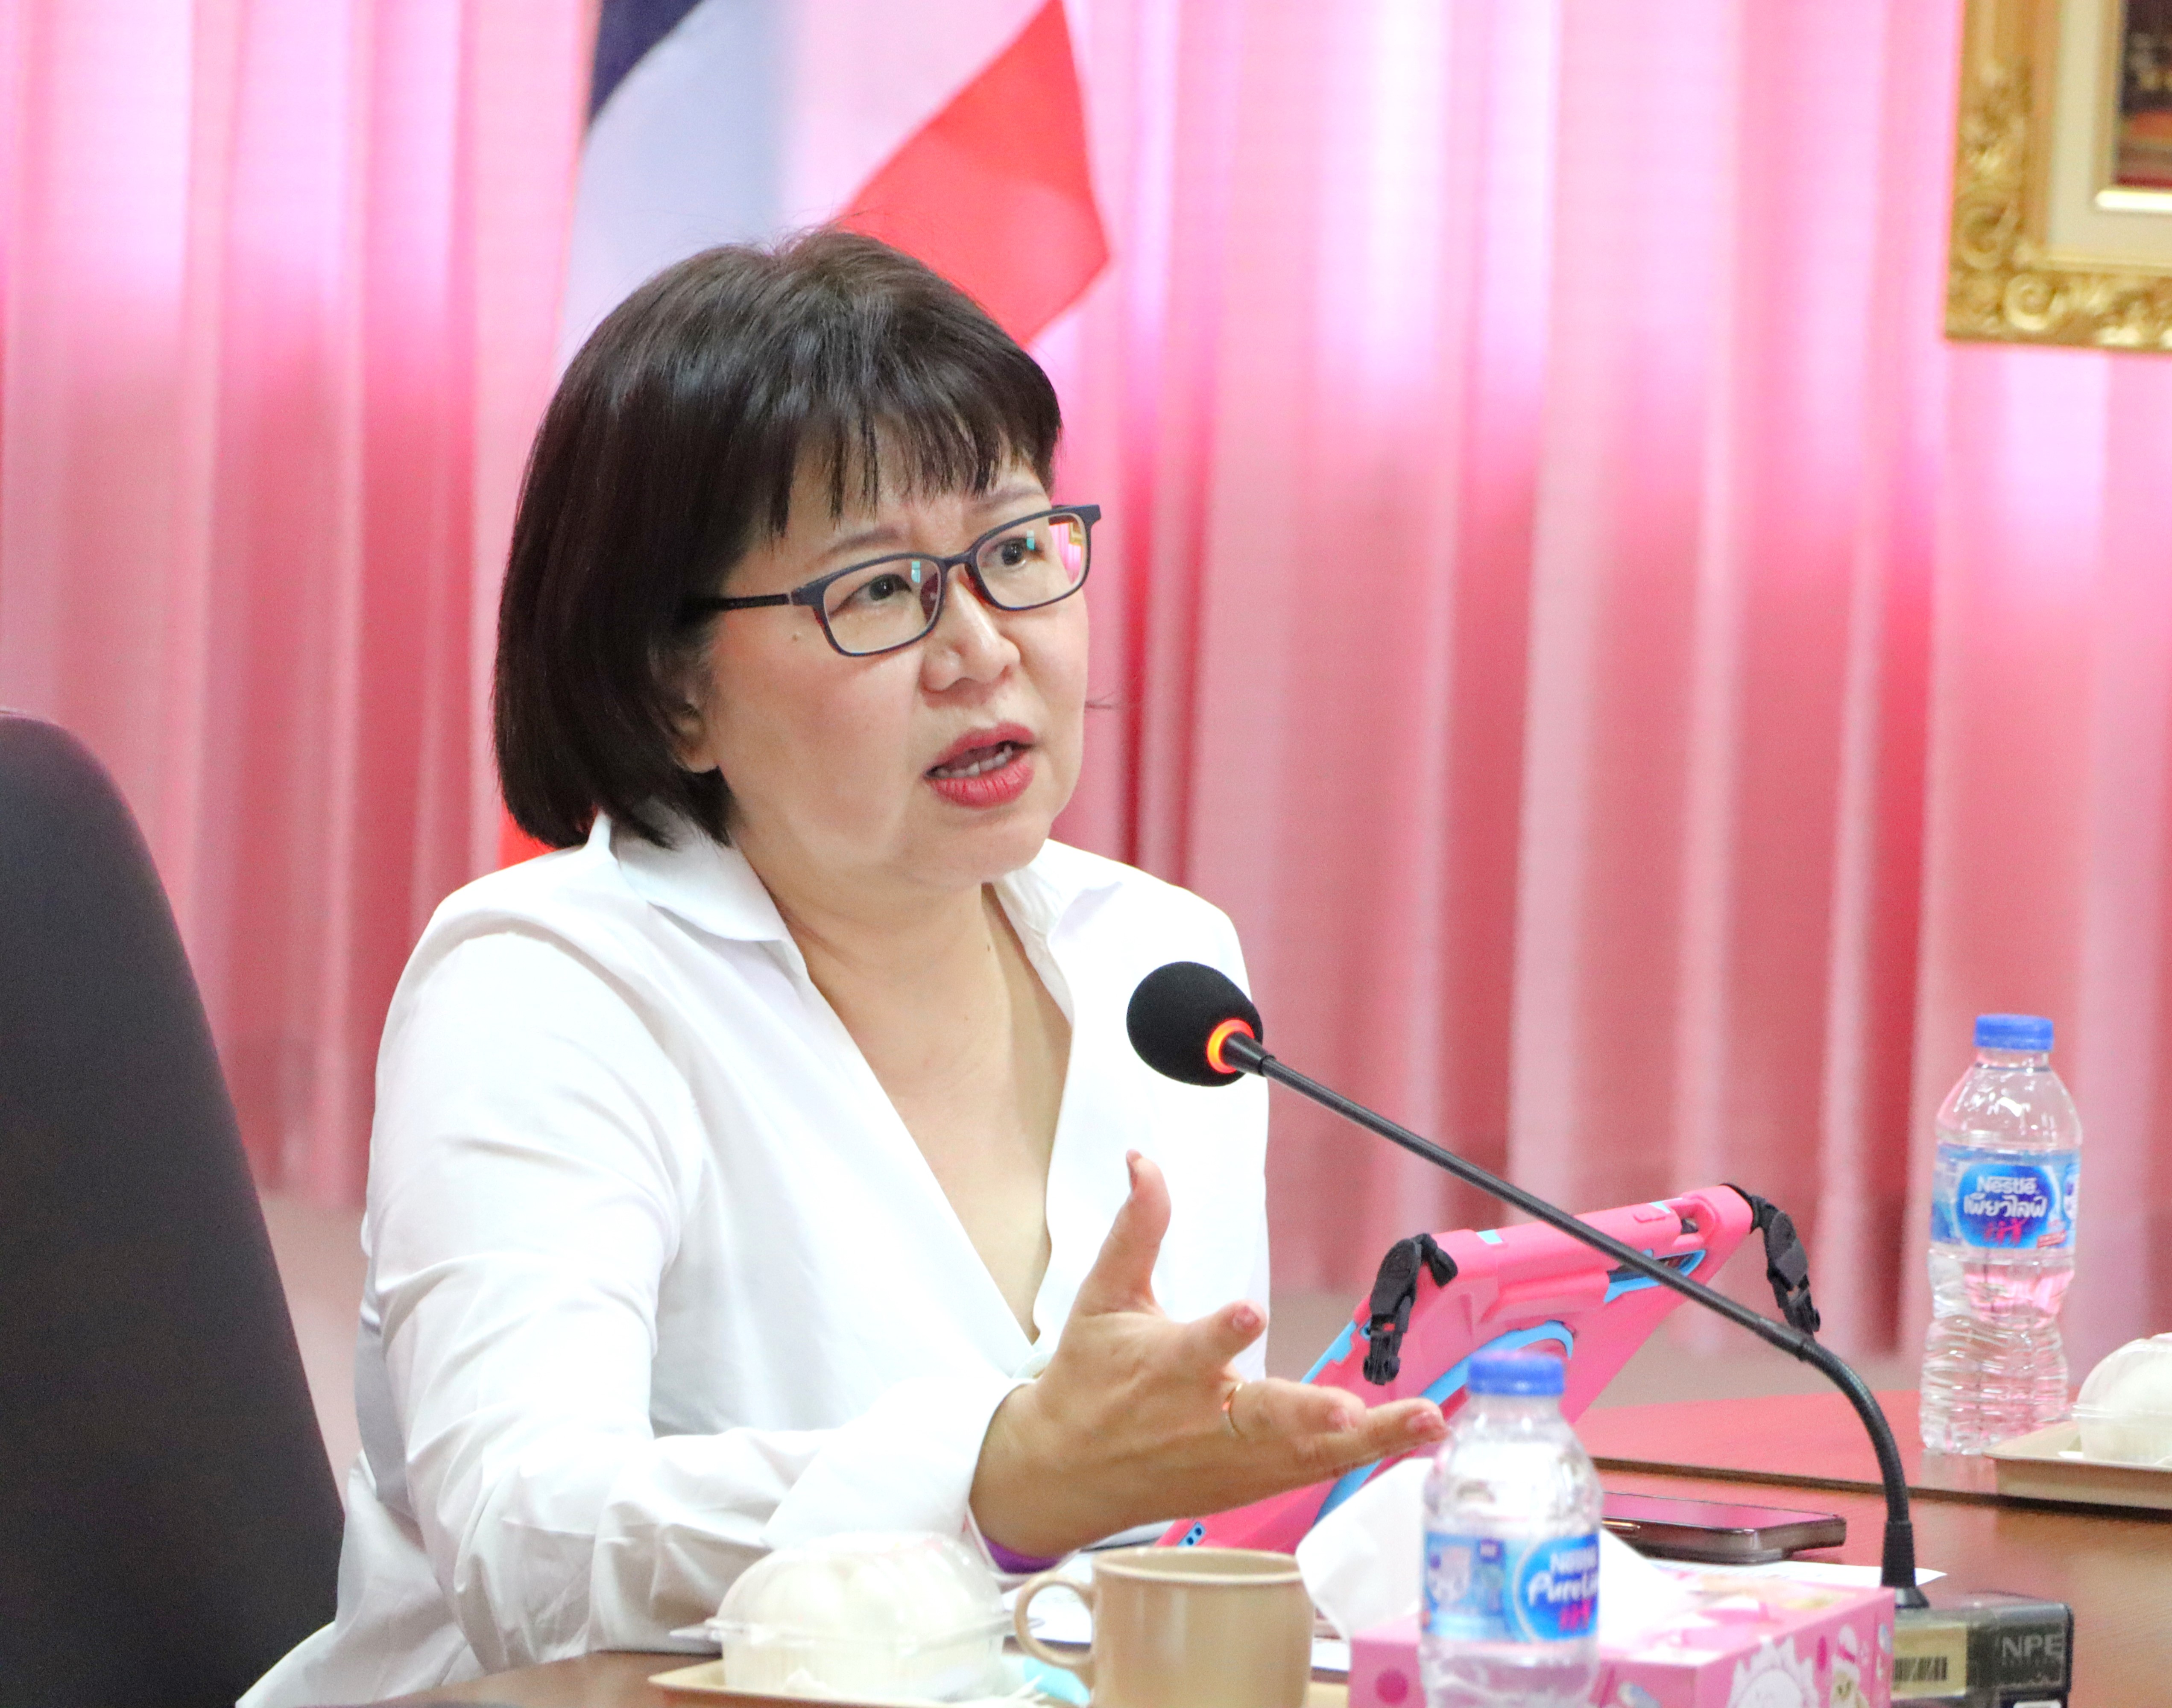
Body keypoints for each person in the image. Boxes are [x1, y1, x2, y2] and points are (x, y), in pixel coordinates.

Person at [243, 231, 1445, 1707]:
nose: (981, 650)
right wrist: (990, 1477)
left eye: (1017, 552)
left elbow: (1152, 1553)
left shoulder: (1164, 968)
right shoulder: (548, 988)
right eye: (879, 592)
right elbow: (526, 1545)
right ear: (672, 691)